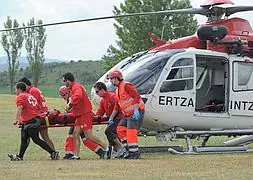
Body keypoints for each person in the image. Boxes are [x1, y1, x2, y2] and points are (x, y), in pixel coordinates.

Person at [8, 82, 59, 161]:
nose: (15, 91)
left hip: (31, 121)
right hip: (34, 119)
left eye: (16, 89)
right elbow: (38, 107)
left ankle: (53, 153)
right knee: (24, 138)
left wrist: (16, 119)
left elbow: (20, 107)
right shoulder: (30, 96)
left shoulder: (20, 96)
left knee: (36, 139)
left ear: (19, 89)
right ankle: (20, 156)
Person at [62, 72, 107, 160]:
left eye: (64, 81)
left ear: (68, 80)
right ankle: (76, 155)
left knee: (88, 136)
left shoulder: (76, 87)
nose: (64, 83)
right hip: (79, 115)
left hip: (85, 114)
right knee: (75, 134)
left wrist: (70, 104)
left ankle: (106, 148)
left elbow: (78, 96)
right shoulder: (73, 87)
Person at [108, 70, 145, 159]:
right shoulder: (117, 90)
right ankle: (128, 150)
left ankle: (135, 153)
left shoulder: (126, 85)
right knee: (120, 129)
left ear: (116, 78)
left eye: (111, 79)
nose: (110, 81)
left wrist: (136, 110)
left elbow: (137, 96)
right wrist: (112, 117)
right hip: (127, 114)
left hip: (136, 111)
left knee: (131, 132)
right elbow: (117, 105)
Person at [18, 77, 55, 150]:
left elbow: (33, 106)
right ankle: (53, 152)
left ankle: (53, 152)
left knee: (34, 136)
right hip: (42, 114)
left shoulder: (32, 91)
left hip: (39, 115)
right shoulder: (34, 89)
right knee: (43, 136)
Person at [93, 82, 125, 158]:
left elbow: (117, 107)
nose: (97, 94)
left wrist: (112, 116)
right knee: (109, 134)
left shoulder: (113, 96)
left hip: (119, 117)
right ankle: (117, 149)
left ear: (103, 90)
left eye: (97, 91)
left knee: (109, 131)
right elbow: (100, 112)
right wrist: (93, 117)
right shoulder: (103, 100)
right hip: (112, 119)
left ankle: (121, 148)